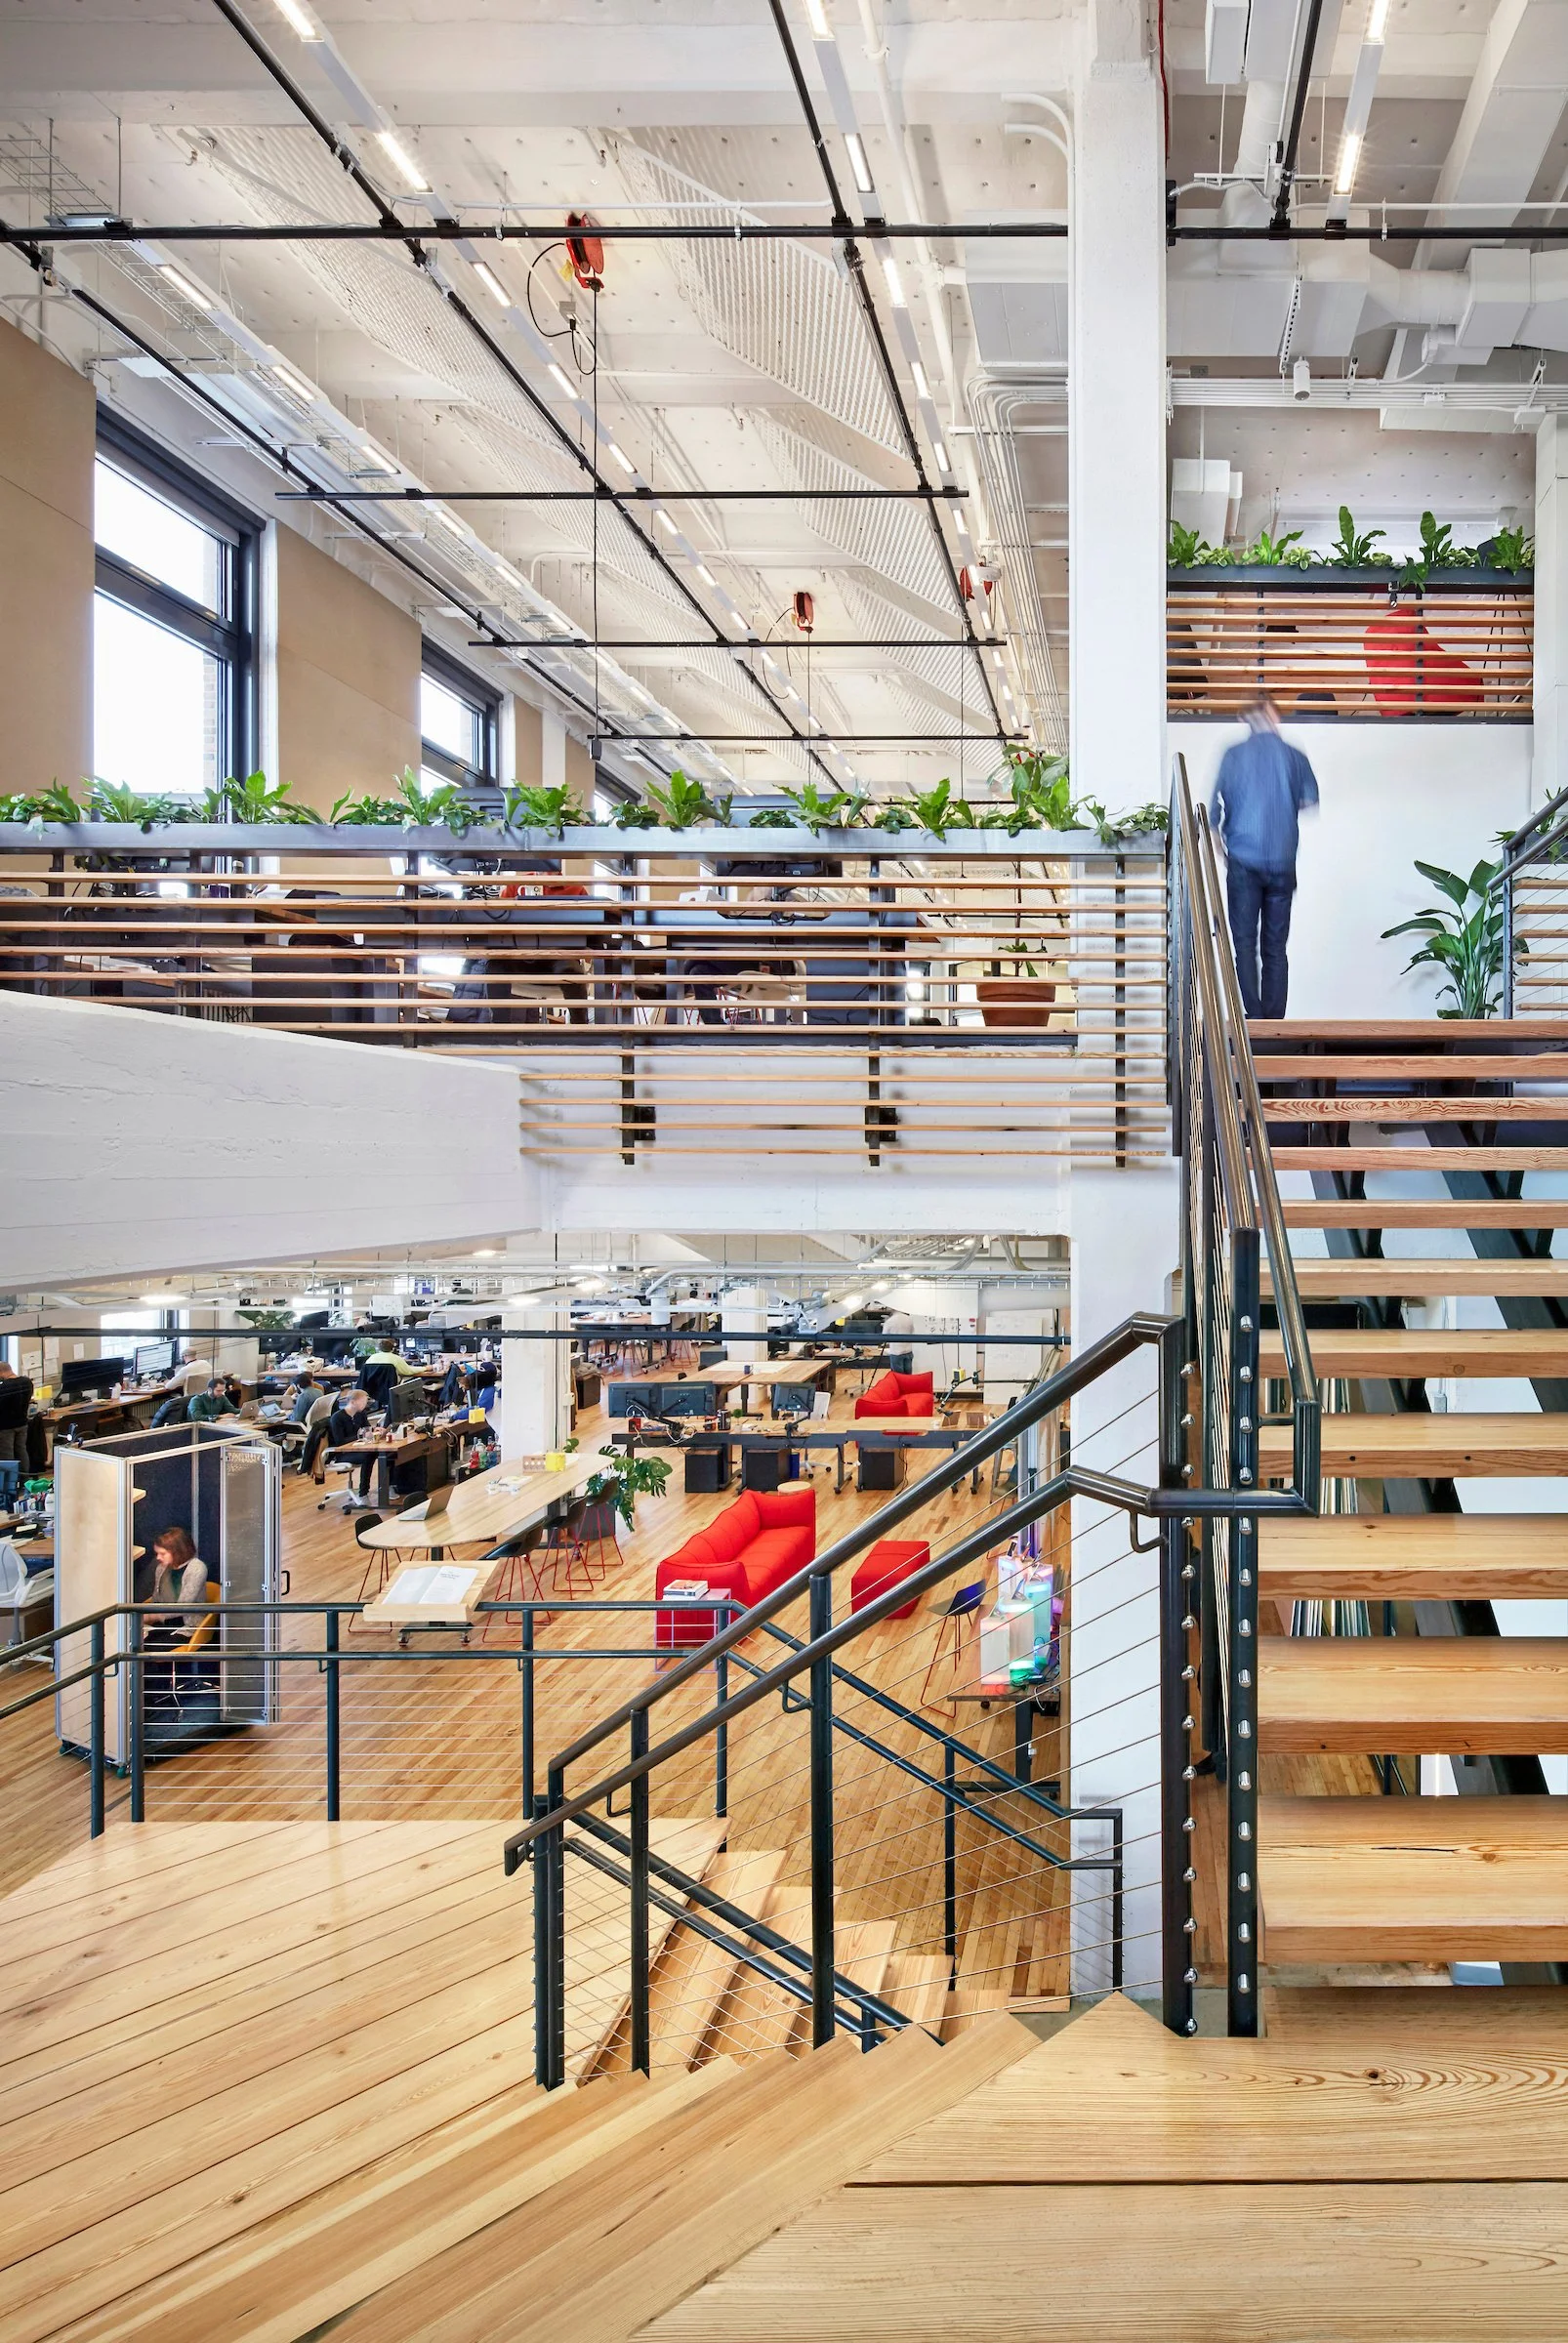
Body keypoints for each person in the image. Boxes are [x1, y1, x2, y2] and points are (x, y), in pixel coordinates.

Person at [1209, 696, 1320, 1021]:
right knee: (1275, 946)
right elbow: (1309, 801)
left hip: (1243, 859)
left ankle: (1253, 1018)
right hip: (1282, 862)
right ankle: (1274, 1022)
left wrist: (1220, 840)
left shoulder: (1233, 755)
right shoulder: (1294, 755)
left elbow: (1213, 807)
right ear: (1272, 715)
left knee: (1244, 943)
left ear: (1247, 720)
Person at [147, 1525, 211, 1626]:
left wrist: (152, 1617)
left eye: (163, 1554)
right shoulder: (161, 1568)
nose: (158, 1557)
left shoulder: (196, 1568)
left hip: (188, 1625)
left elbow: (183, 1606)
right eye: (157, 1553)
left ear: (177, 1552)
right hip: (162, 1623)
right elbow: (156, 1600)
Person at [0, 1364, 34, 1475]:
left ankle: (10, 1483)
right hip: (22, 1423)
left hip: (6, 1427)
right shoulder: (27, 1382)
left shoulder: (4, 1387)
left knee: (7, 1455)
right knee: (21, 1451)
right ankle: (25, 1479)